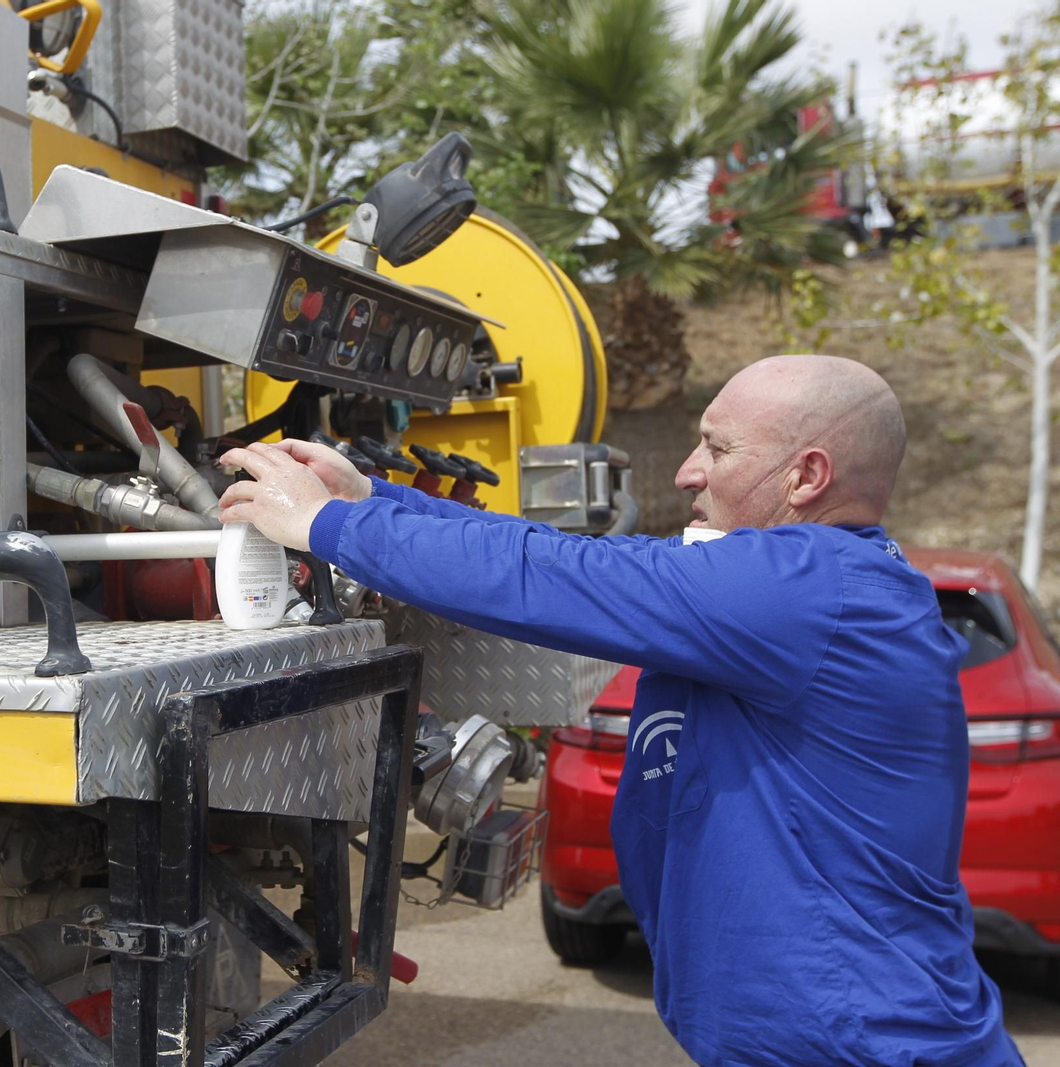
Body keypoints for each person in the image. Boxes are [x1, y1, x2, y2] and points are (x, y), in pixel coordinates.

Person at [217, 355, 1024, 1067]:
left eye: (717, 446)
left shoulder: (811, 590)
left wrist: (331, 525)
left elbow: (559, 579)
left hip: (867, 1047)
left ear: (805, 477)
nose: (685, 471)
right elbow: (586, 561)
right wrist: (372, 495)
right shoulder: (788, 583)